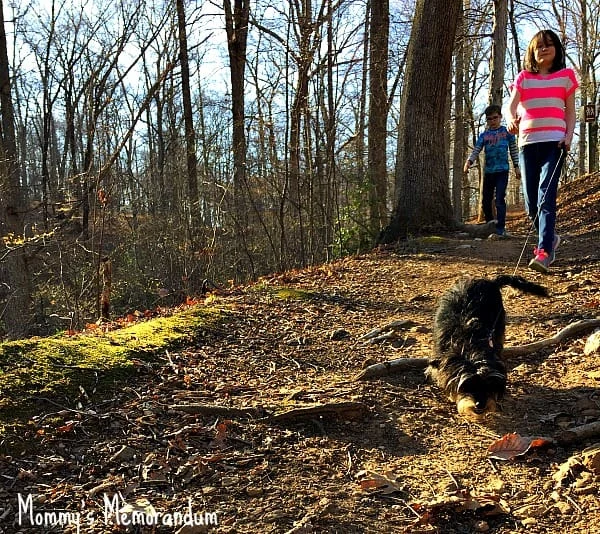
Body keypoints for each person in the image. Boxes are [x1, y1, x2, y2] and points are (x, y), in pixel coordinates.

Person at [507, 29, 578, 273]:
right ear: (532, 52)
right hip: (527, 143)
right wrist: (511, 119)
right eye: (538, 46)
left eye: (548, 45)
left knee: (545, 196)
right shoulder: (524, 77)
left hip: (554, 143)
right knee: (530, 203)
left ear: (556, 49)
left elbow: (570, 112)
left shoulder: (566, 76)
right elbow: (511, 106)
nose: (543, 49)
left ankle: (544, 251)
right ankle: (550, 237)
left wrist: (568, 137)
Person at [464, 104, 520, 237]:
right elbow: (477, 149)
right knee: (486, 200)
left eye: (495, 118)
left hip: (502, 171)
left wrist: (517, 167)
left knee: (500, 198)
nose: (492, 121)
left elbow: (513, 150)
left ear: (500, 117)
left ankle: (500, 228)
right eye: (489, 119)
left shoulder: (507, 133)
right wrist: (469, 162)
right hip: (489, 172)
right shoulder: (484, 135)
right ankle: (491, 225)